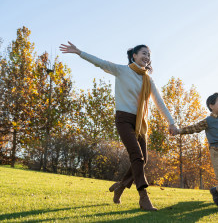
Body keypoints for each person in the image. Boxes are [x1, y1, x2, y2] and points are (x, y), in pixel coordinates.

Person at [59, 42, 177, 211]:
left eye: (149, 55)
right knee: (137, 155)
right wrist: (79, 52)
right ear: (134, 56)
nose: (147, 57)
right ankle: (143, 197)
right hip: (123, 120)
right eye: (144, 53)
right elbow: (101, 63)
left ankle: (121, 186)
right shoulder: (122, 71)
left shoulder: (148, 79)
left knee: (143, 158)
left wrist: (171, 122)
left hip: (140, 123)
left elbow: (159, 102)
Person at [173, 93, 218, 212]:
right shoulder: (208, 121)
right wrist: (179, 131)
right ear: (211, 106)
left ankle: (216, 190)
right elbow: (194, 128)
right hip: (217, 152)